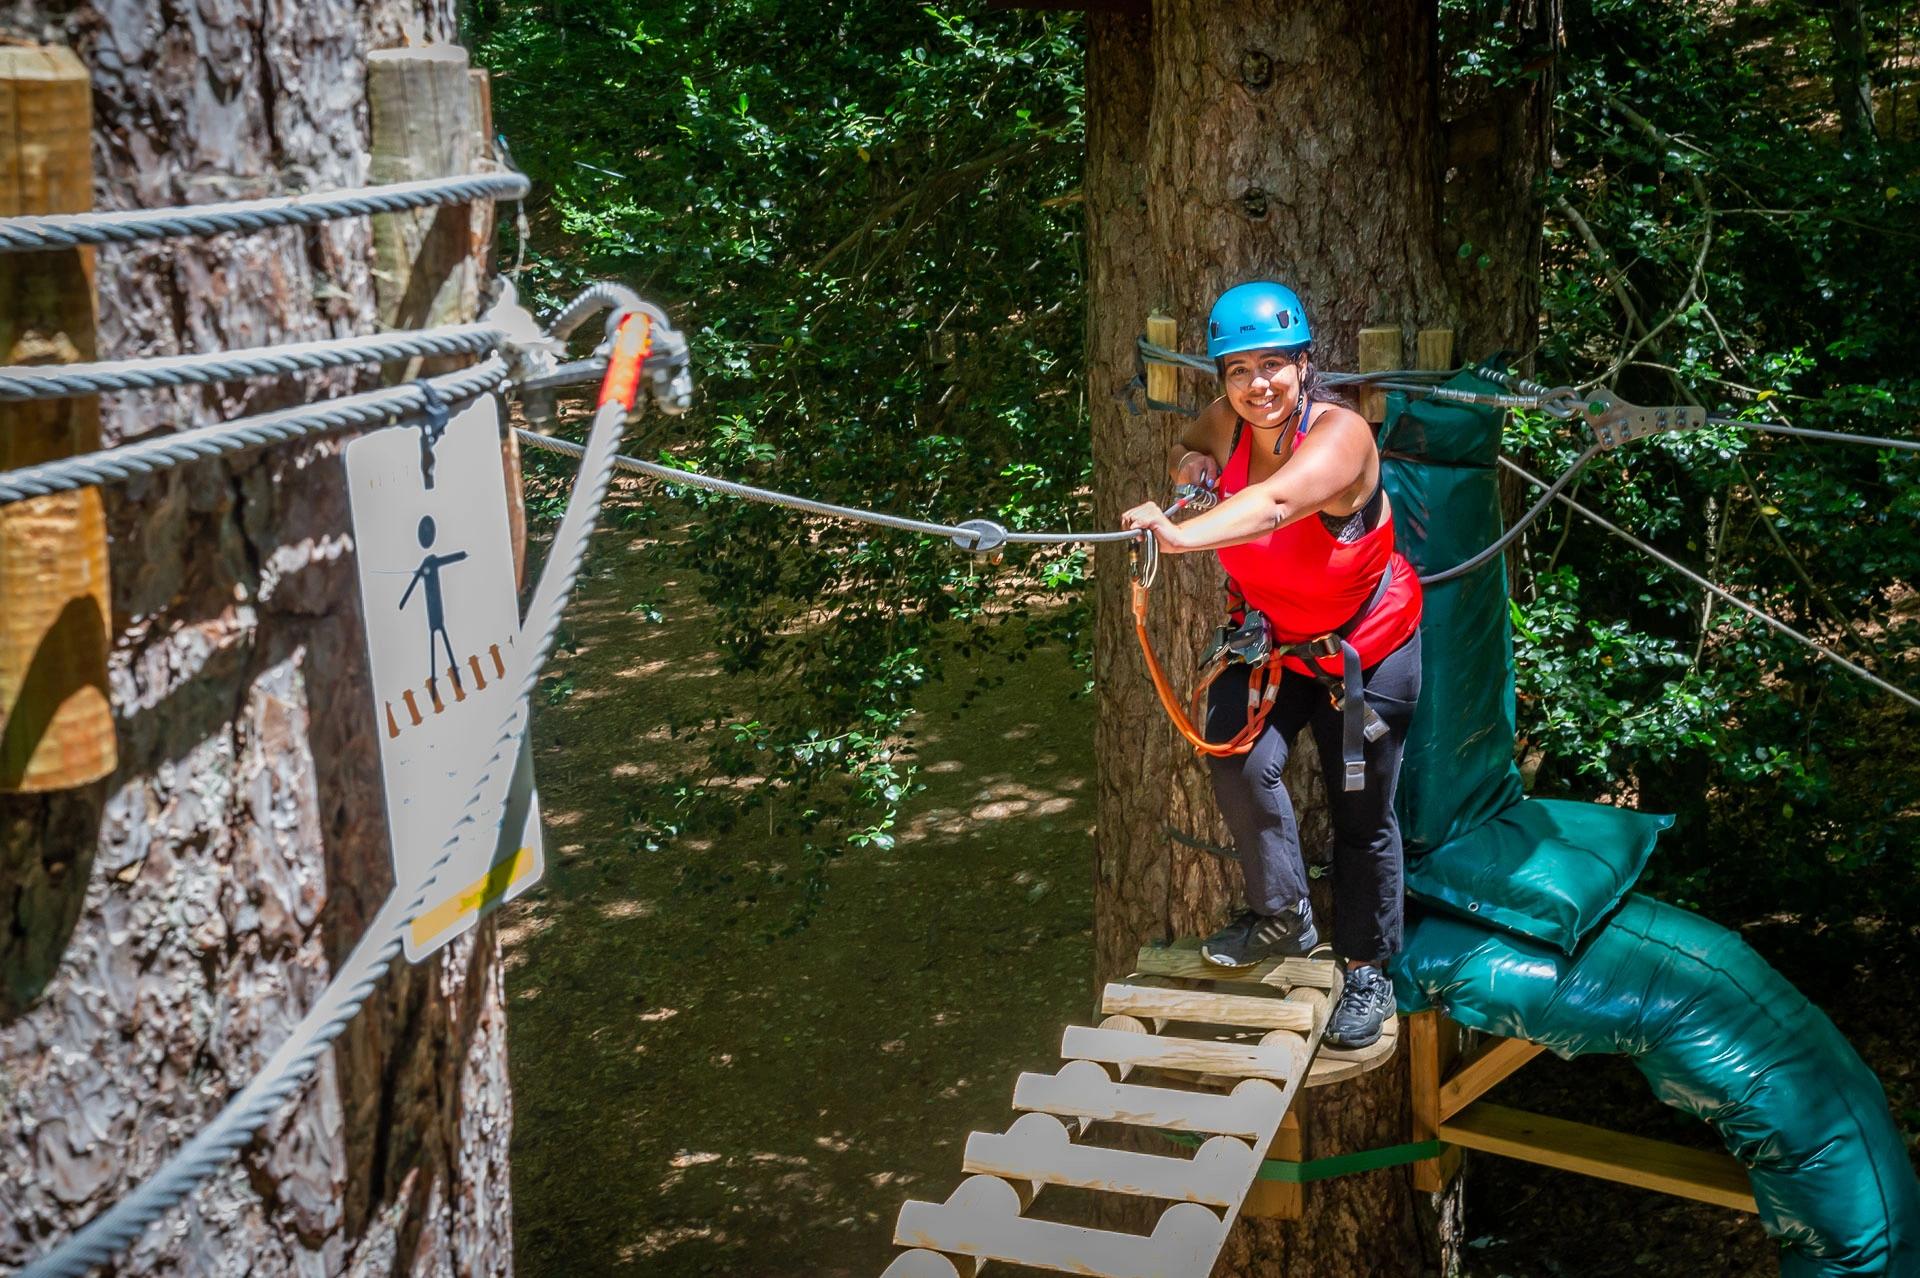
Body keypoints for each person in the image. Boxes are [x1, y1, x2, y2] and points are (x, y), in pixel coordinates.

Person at [1119, 281, 1423, 1050]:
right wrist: (1192, 468)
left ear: (1305, 365)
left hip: (1364, 651)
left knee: (1363, 820)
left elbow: (1277, 503)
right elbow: (1197, 441)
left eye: (1274, 366)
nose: (1258, 385)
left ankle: (1366, 969)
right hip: (1275, 643)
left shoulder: (1341, 436)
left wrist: (1181, 533)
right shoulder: (1232, 418)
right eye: (1238, 370)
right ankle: (1283, 914)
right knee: (1237, 761)